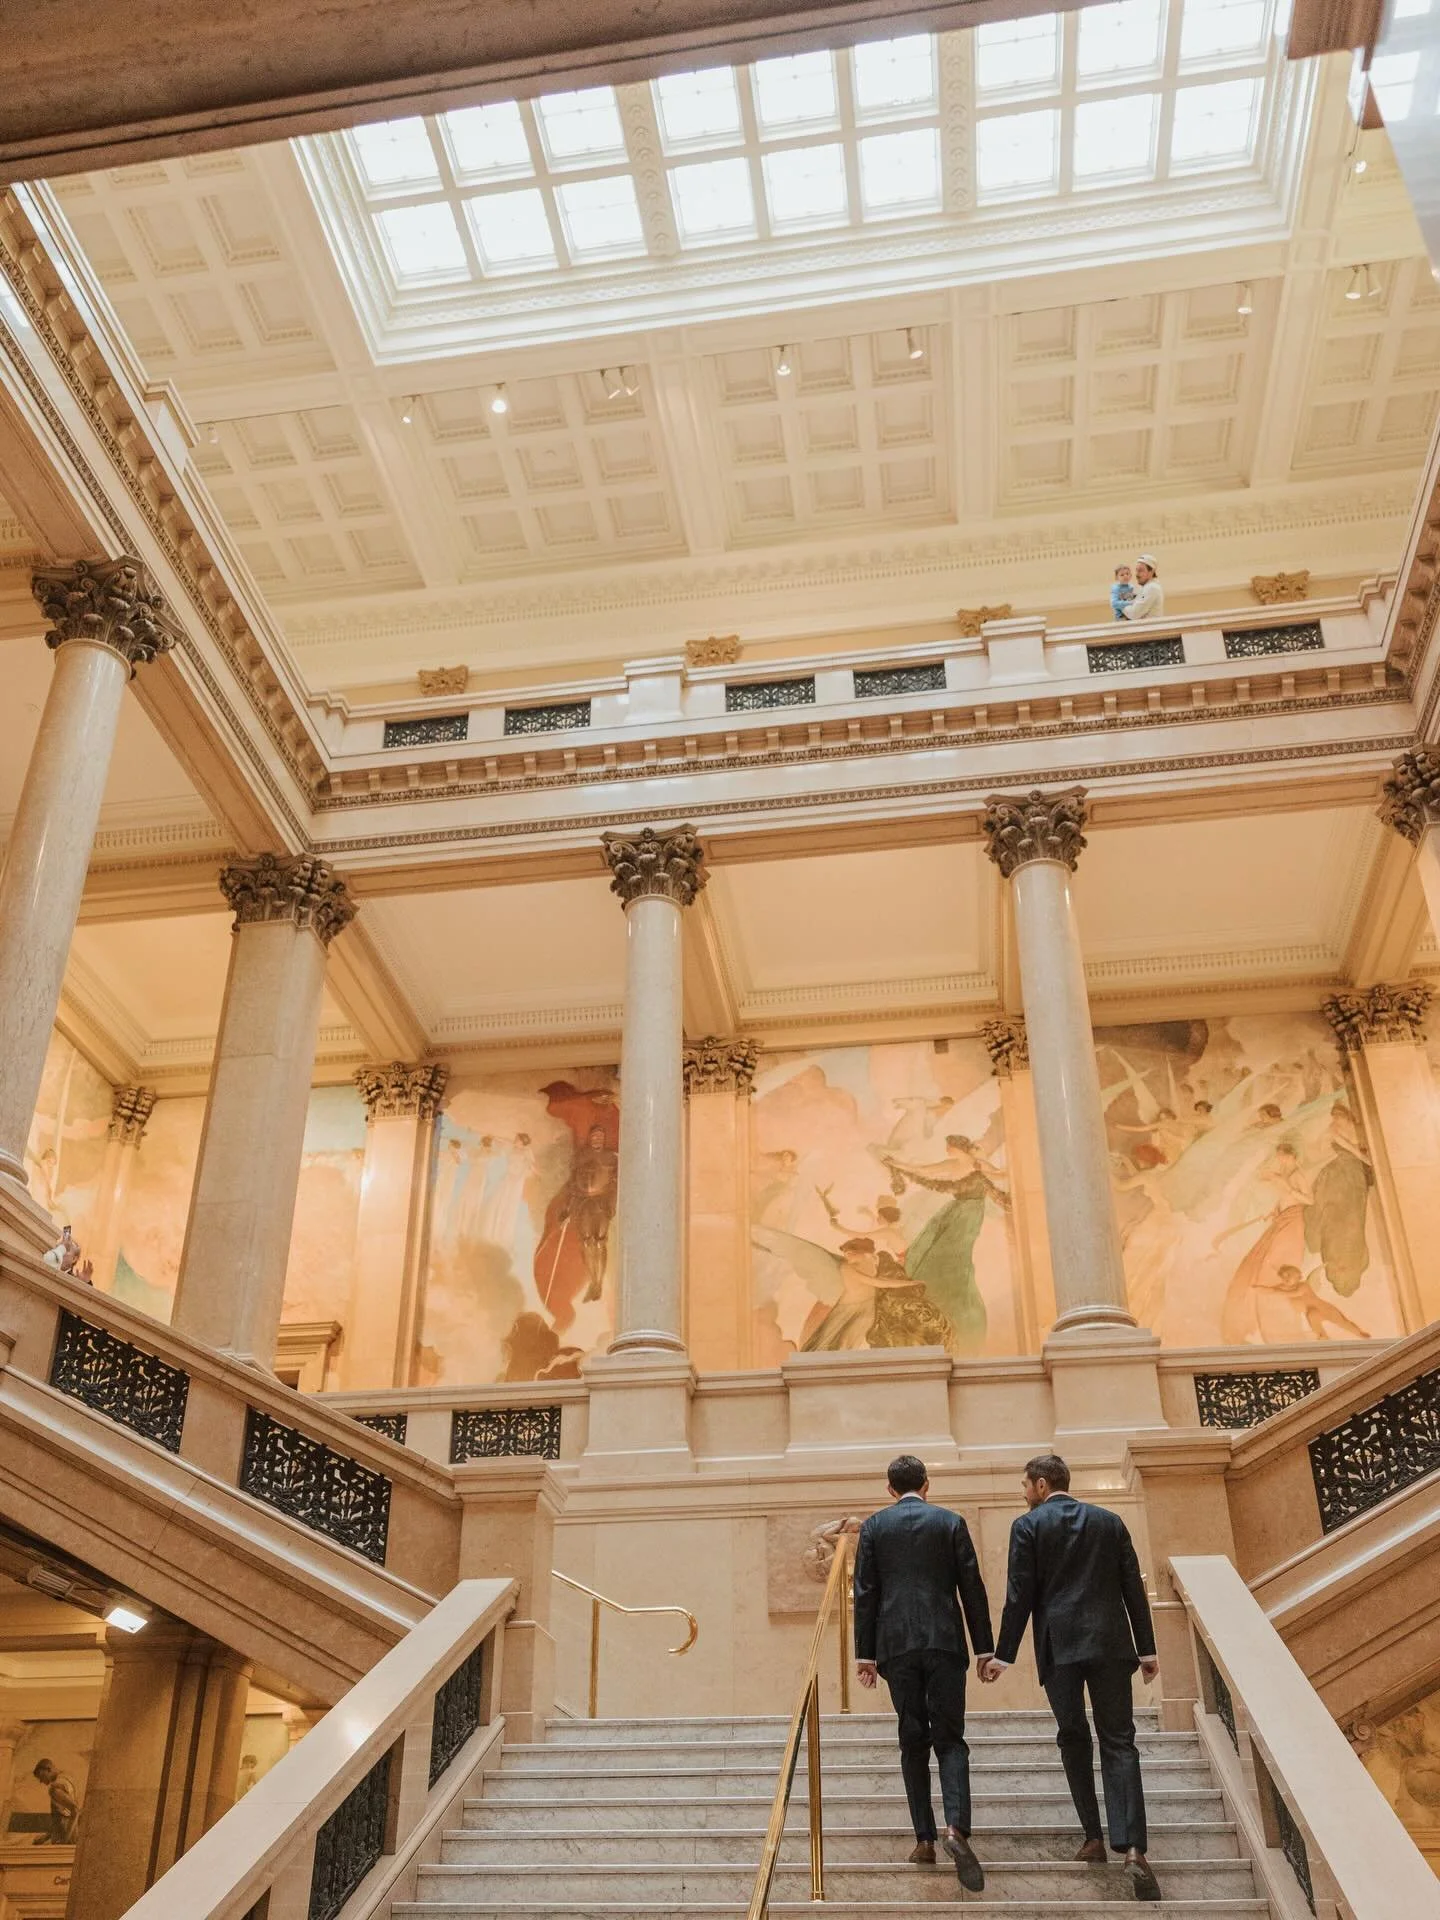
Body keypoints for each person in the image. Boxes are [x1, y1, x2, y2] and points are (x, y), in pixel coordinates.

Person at [980, 1454, 1161, 1901]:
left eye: (1025, 1486)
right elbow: (1131, 1587)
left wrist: (1002, 1656)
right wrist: (1147, 1648)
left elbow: (1018, 1595)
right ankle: (1134, 1848)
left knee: (1073, 1736)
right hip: (1111, 1644)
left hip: (1059, 1648)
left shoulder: (1028, 1527)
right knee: (1119, 1740)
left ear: (1042, 1485)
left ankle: (1093, 1838)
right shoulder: (1110, 1521)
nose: (1024, 1494)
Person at [853, 1454, 994, 1891]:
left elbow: (865, 1593)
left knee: (912, 1739)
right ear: (927, 1485)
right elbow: (971, 1585)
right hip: (945, 1642)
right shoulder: (950, 1522)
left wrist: (865, 1656)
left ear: (890, 1489)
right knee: (951, 1739)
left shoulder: (875, 1526)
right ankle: (956, 1828)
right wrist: (985, 1647)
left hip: (896, 1648)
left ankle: (925, 1839)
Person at [32, 1759, 80, 1843]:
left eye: (41, 1776)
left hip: (65, 1839)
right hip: (68, 1836)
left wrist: (65, 1840)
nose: (41, 1781)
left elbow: (75, 1811)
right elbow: (64, 1815)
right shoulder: (67, 1778)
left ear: (48, 1769)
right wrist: (47, 1836)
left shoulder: (54, 1790)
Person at [1120, 555, 1164, 622]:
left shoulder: (1152, 588)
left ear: (1151, 571)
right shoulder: (1144, 587)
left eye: (1140, 571)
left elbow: (1134, 614)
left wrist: (1120, 604)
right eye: (1136, 570)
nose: (1137, 574)